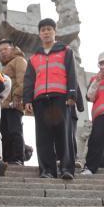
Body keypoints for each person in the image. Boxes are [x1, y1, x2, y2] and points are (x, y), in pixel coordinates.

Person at [23, 18, 79, 180]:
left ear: (55, 32)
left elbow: (72, 74)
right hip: (40, 100)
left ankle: (66, 169)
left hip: (60, 97)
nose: (46, 32)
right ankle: (47, 170)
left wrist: (72, 94)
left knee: (64, 134)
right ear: (39, 34)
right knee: (43, 137)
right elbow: (29, 80)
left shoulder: (66, 51)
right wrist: (27, 100)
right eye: (43, 30)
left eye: (49, 29)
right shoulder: (34, 58)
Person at [0, 39, 27, 165]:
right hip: (3, 105)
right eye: (0, 51)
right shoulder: (5, 67)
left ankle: (17, 158)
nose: (3, 52)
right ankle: (8, 159)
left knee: (15, 131)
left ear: (12, 48)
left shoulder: (19, 60)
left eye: (5, 49)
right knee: (4, 134)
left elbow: (22, 80)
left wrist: (17, 96)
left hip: (14, 103)